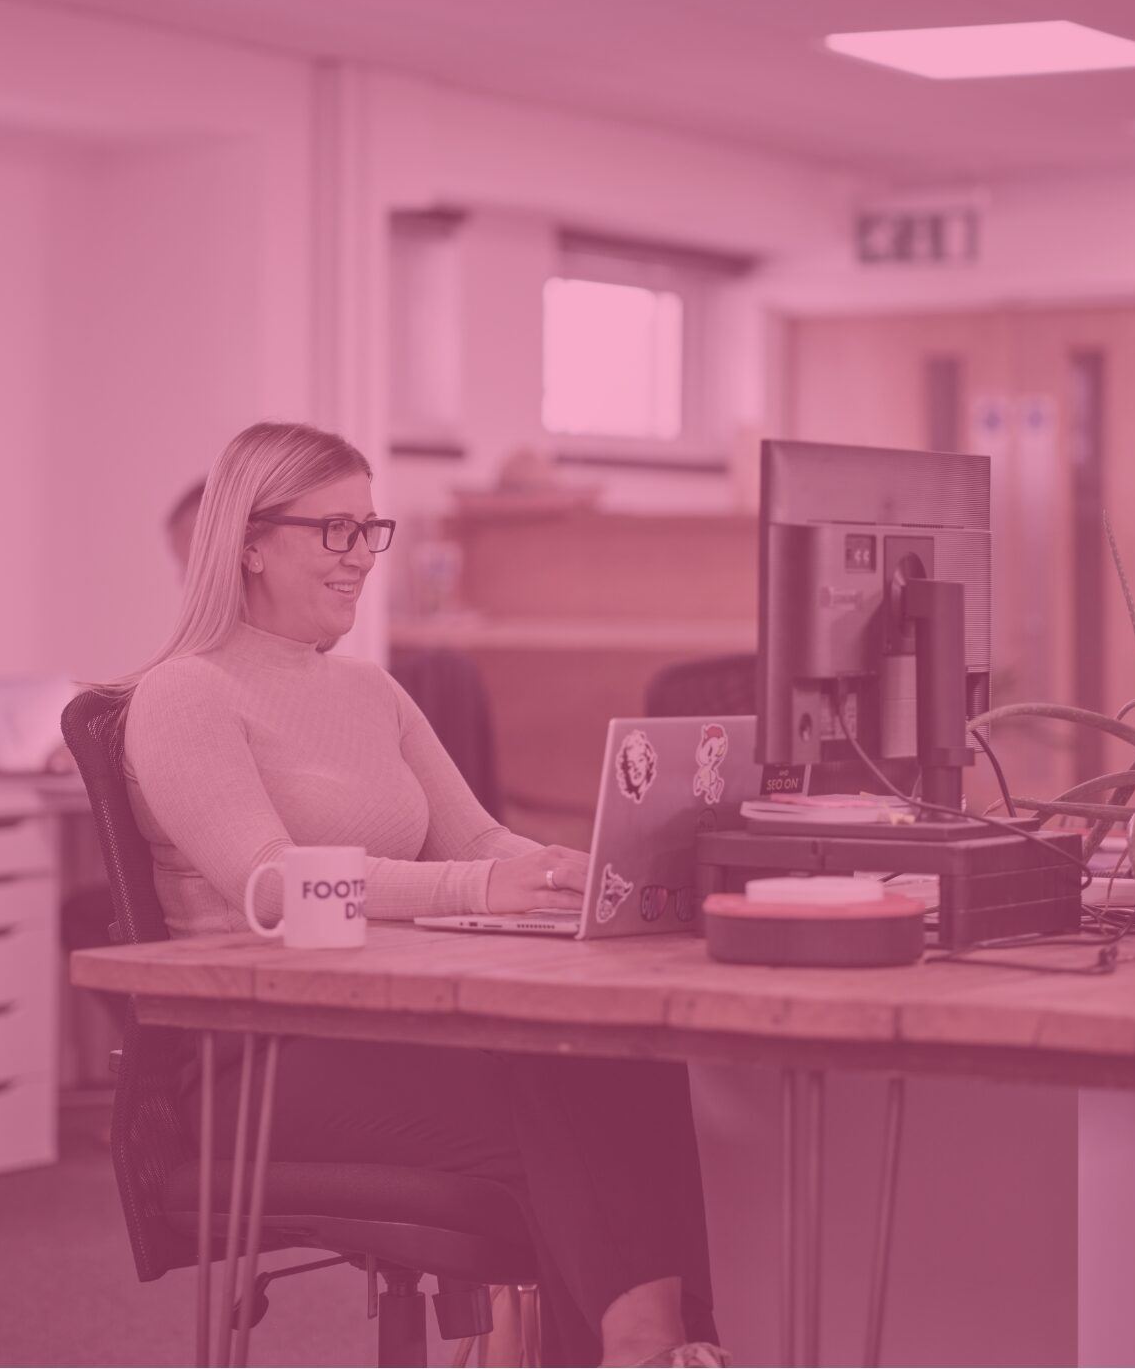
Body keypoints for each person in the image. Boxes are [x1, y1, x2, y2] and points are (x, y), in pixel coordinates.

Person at [106, 422, 724, 1368]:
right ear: (249, 545)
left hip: (383, 1030)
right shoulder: (184, 696)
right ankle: (647, 1350)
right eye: (335, 533)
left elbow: (475, 837)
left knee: (621, 1049)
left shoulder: (370, 692)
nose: (361, 559)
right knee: (559, 1075)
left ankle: (664, 1347)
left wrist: (579, 874)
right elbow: (272, 887)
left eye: (369, 530)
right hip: (257, 1064)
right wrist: (482, 885)